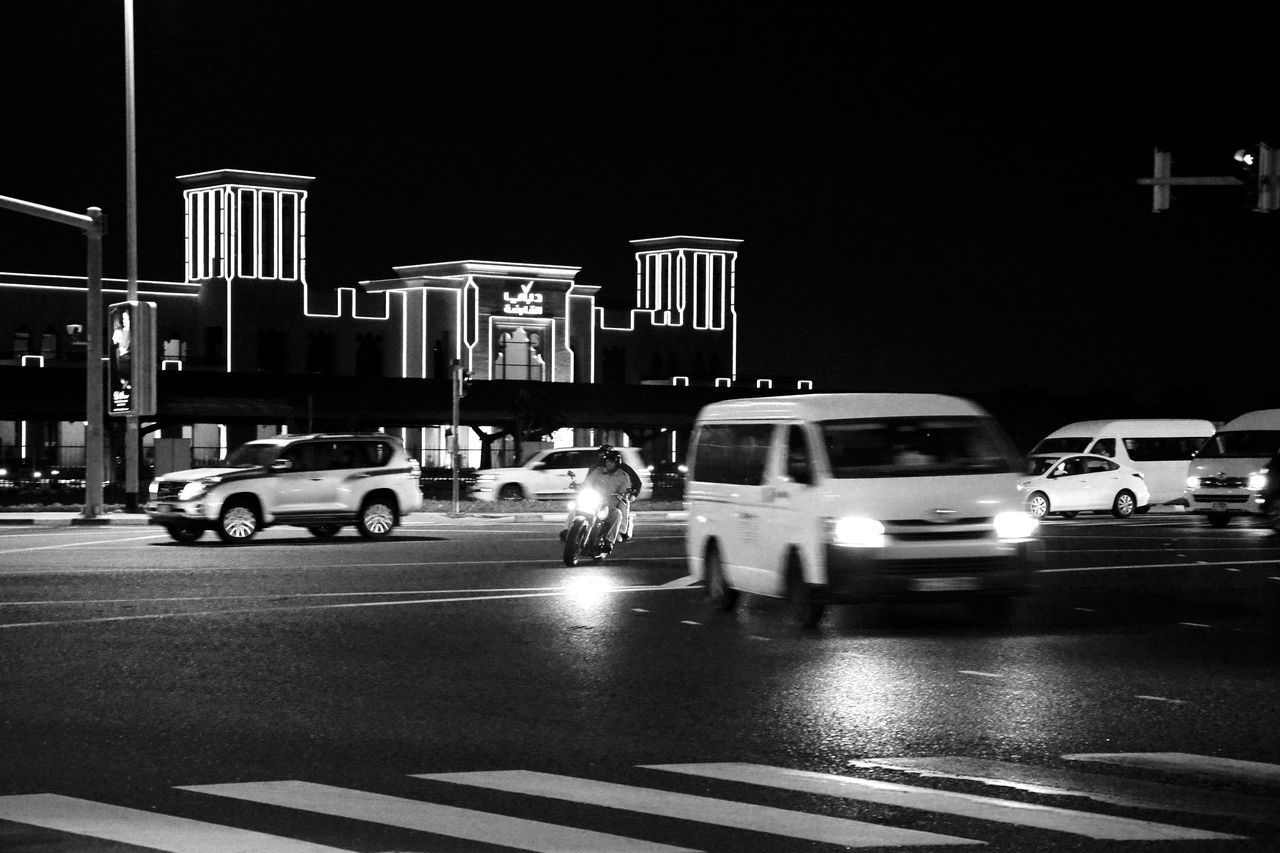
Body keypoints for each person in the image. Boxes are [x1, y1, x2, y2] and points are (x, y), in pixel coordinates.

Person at [583, 449, 635, 553]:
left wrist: (624, 494)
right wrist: (580, 487)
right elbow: (587, 483)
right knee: (575, 507)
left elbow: (625, 490)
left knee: (618, 514)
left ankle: (609, 541)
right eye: (607, 461)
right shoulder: (597, 472)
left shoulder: (623, 476)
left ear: (617, 462)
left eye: (612, 461)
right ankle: (570, 530)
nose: (609, 463)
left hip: (609, 505)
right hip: (593, 502)